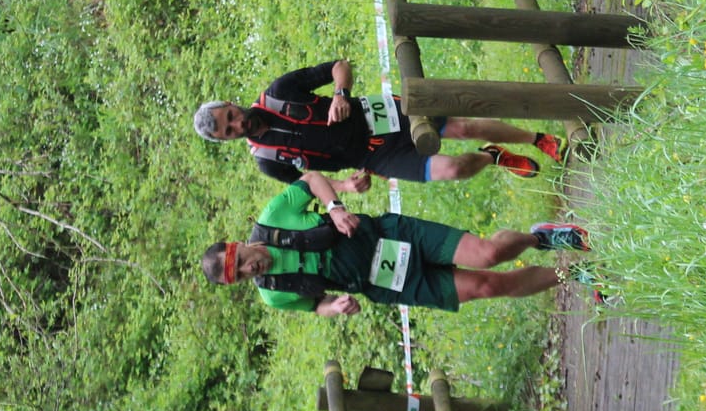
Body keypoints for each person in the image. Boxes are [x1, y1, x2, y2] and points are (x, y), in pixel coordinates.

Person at [201, 175, 589, 315]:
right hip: (388, 282)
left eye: (242, 263)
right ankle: (572, 273)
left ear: (239, 245)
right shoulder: (273, 293)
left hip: (391, 236)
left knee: (490, 253)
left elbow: (312, 179)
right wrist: (334, 307)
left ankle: (540, 237)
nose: (250, 272)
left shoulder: (273, 218)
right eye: (240, 279)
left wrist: (335, 207)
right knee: (490, 286)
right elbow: (314, 306)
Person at [192, 58, 563, 184]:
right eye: (229, 131)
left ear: (229, 103)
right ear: (227, 141)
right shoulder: (267, 161)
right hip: (373, 159)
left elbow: (340, 67)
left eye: (230, 116)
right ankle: (493, 156)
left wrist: (340, 94)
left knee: (463, 127)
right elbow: (312, 184)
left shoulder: (281, 90)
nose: (237, 125)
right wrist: (345, 189)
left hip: (378, 116)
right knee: (451, 169)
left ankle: (536, 138)